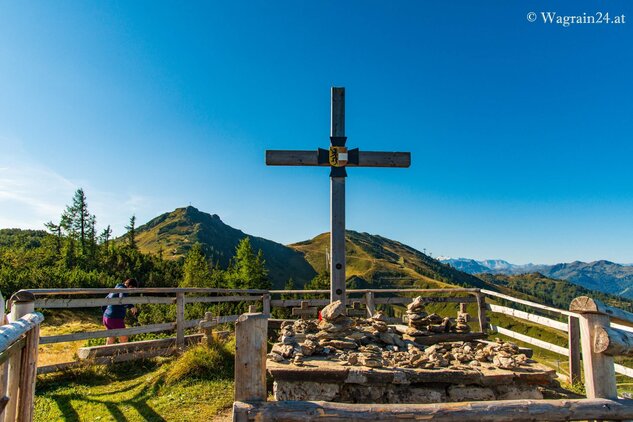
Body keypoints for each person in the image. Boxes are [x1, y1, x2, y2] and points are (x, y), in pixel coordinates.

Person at [103, 278, 138, 344]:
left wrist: (106, 313)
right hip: (115, 318)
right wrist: (131, 306)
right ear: (130, 286)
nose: (132, 291)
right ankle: (123, 353)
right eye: (133, 289)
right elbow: (122, 298)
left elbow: (106, 299)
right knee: (124, 337)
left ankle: (106, 353)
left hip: (106, 317)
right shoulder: (123, 289)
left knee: (111, 338)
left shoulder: (117, 288)